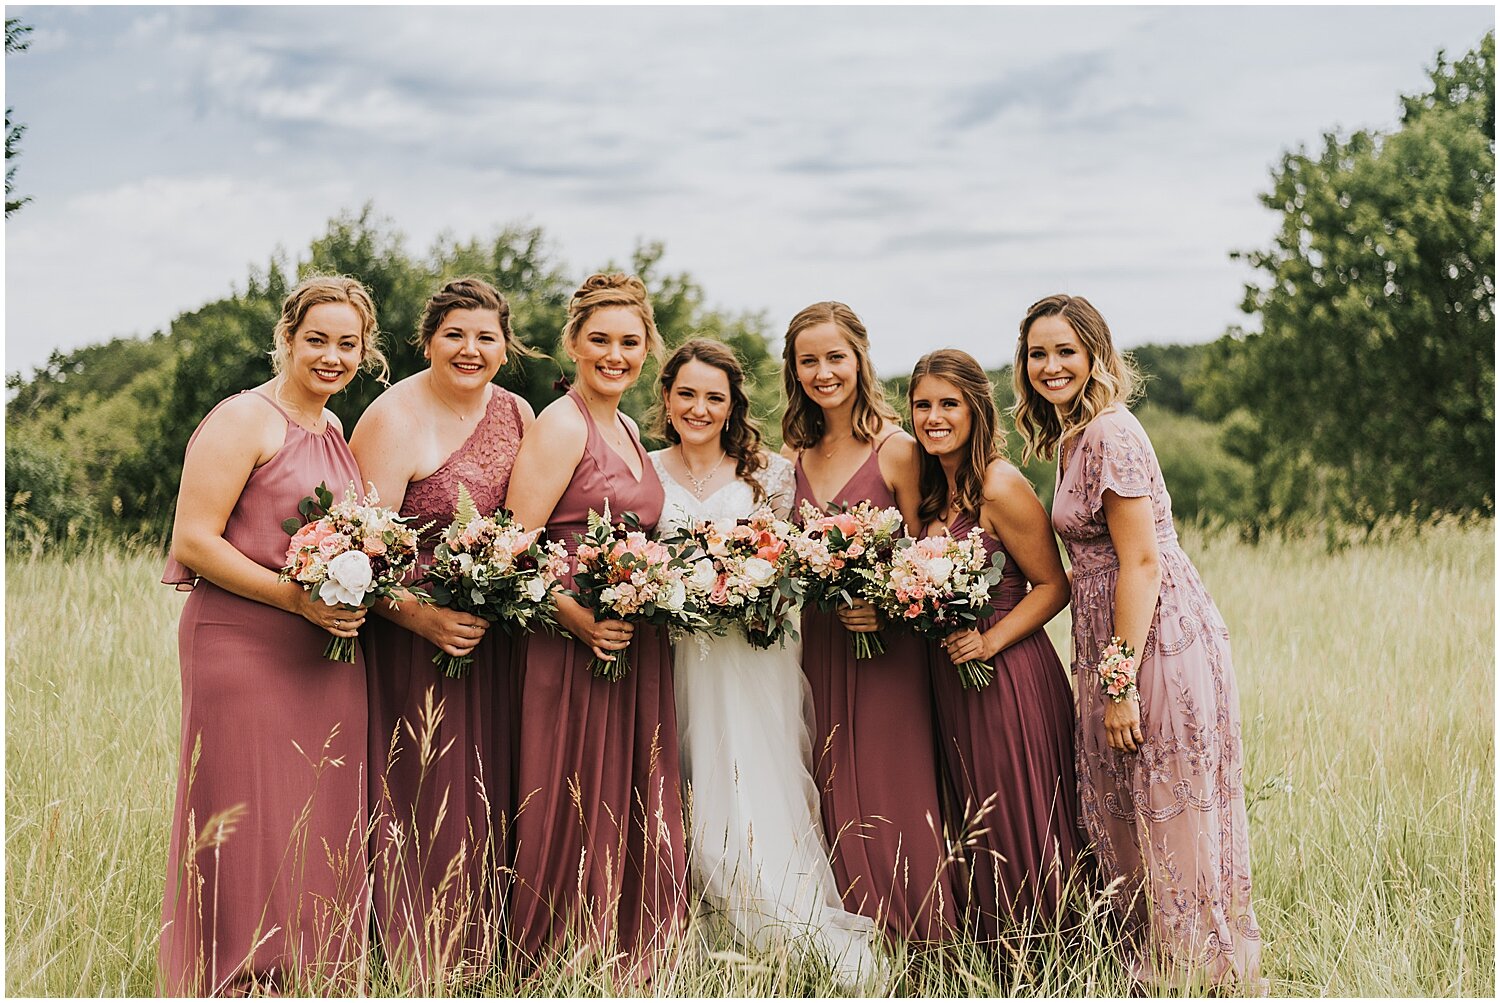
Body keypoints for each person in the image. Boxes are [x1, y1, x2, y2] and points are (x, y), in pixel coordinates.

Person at [1013, 293, 1263, 991]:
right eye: (1038, 352)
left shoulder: (1112, 434)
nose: (1051, 364)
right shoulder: (1071, 436)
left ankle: (1200, 975)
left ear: (1096, 354)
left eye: (1066, 350)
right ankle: (1151, 971)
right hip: (1110, 637)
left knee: (1167, 807)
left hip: (1155, 638)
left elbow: (1142, 563)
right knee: (1122, 806)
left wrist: (1118, 683)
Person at [159, 275, 387, 995]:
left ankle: (305, 974)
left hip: (321, 651)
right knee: (246, 815)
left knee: (313, 813)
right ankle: (232, 977)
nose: (331, 356)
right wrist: (298, 601)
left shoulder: (336, 430)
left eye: (346, 344)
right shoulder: (243, 419)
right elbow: (194, 540)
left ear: (364, 351)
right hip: (242, 642)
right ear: (286, 338)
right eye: (316, 340)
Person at [647, 338, 883, 986]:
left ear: (733, 405)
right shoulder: (644, 471)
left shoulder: (770, 475)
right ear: (666, 397)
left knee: (752, 774)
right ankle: (692, 923)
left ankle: (781, 919)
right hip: (673, 649)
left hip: (752, 650)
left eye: (713, 397)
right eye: (687, 393)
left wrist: (750, 583)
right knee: (682, 777)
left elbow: (789, 566)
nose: (699, 407)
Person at [349, 277, 535, 985]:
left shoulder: (519, 413)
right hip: (410, 637)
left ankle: (489, 949)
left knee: (492, 785)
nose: (471, 348)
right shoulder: (392, 418)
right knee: (424, 786)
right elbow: (355, 551)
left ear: (505, 346)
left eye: (486, 336)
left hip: (495, 637)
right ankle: (422, 955)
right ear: (427, 339)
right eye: (455, 333)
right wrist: (424, 617)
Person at [505, 274, 687, 977]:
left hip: (632, 642)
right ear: (574, 343)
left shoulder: (631, 427)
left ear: (648, 348)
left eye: (630, 342)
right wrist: (579, 620)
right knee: (573, 790)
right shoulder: (562, 424)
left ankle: (623, 950)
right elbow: (514, 545)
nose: (616, 354)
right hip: (570, 639)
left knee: (630, 790)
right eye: (601, 340)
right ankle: (555, 956)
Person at [779, 301, 956, 943]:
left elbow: (926, 553)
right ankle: (854, 938)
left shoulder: (898, 448)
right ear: (793, 370)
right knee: (829, 781)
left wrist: (881, 604)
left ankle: (919, 934)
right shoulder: (794, 450)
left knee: (890, 779)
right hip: (820, 642)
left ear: (859, 359)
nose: (823, 372)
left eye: (835, 358)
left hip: (887, 646)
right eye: (809, 361)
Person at [907, 348, 1086, 939]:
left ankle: (1054, 949)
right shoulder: (935, 489)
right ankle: (995, 951)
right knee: (973, 814)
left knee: (1019, 812)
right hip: (951, 679)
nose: (934, 417)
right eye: (923, 405)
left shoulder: (998, 485)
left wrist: (988, 642)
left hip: (1008, 674)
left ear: (977, 410)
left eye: (948, 404)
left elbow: (1053, 585)